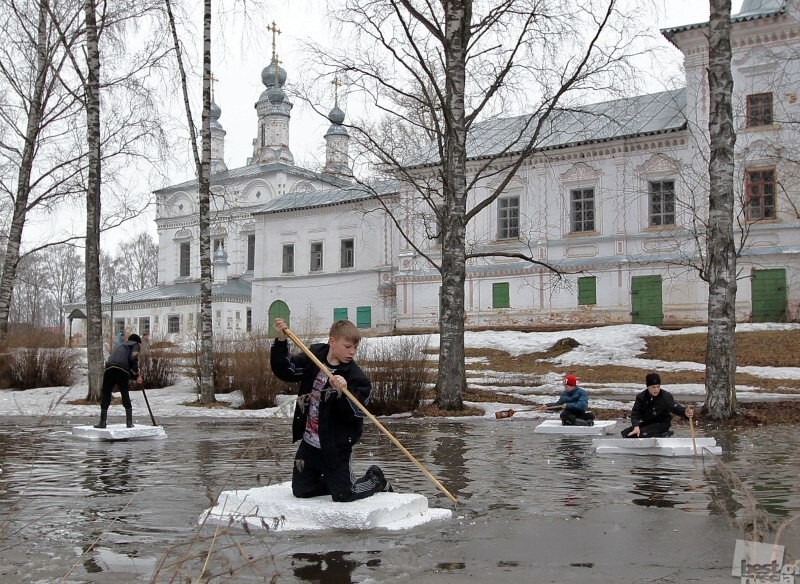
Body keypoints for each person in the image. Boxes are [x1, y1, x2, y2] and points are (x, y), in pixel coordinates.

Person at [270, 318, 392, 501]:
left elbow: (355, 413)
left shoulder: (356, 377)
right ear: (332, 342)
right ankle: (334, 480)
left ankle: (375, 480)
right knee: (302, 491)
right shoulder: (314, 356)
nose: (352, 352)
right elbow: (287, 370)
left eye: (355, 348)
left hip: (335, 446)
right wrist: (280, 341)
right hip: (309, 442)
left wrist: (343, 392)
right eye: (347, 346)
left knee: (344, 495)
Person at [621, 373, 694, 438]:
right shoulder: (641, 397)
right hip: (648, 423)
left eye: (658, 386)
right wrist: (636, 427)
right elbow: (635, 414)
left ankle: (664, 435)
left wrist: (685, 412)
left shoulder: (665, 396)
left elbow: (675, 407)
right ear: (647, 387)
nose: (656, 390)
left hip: (662, 424)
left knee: (642, 434)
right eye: (653, 387)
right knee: (626, 433)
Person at [94, 333, 142, 429]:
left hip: (109, 368)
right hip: (121, 370)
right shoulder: (135, 345)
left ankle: (102, 422)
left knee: (106, 394)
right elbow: (133, 359)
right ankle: (129, 422)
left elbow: (122, 364)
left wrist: (135, 376)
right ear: (137, 342)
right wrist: (137, 372)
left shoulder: (121, 345)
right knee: (124, 393)